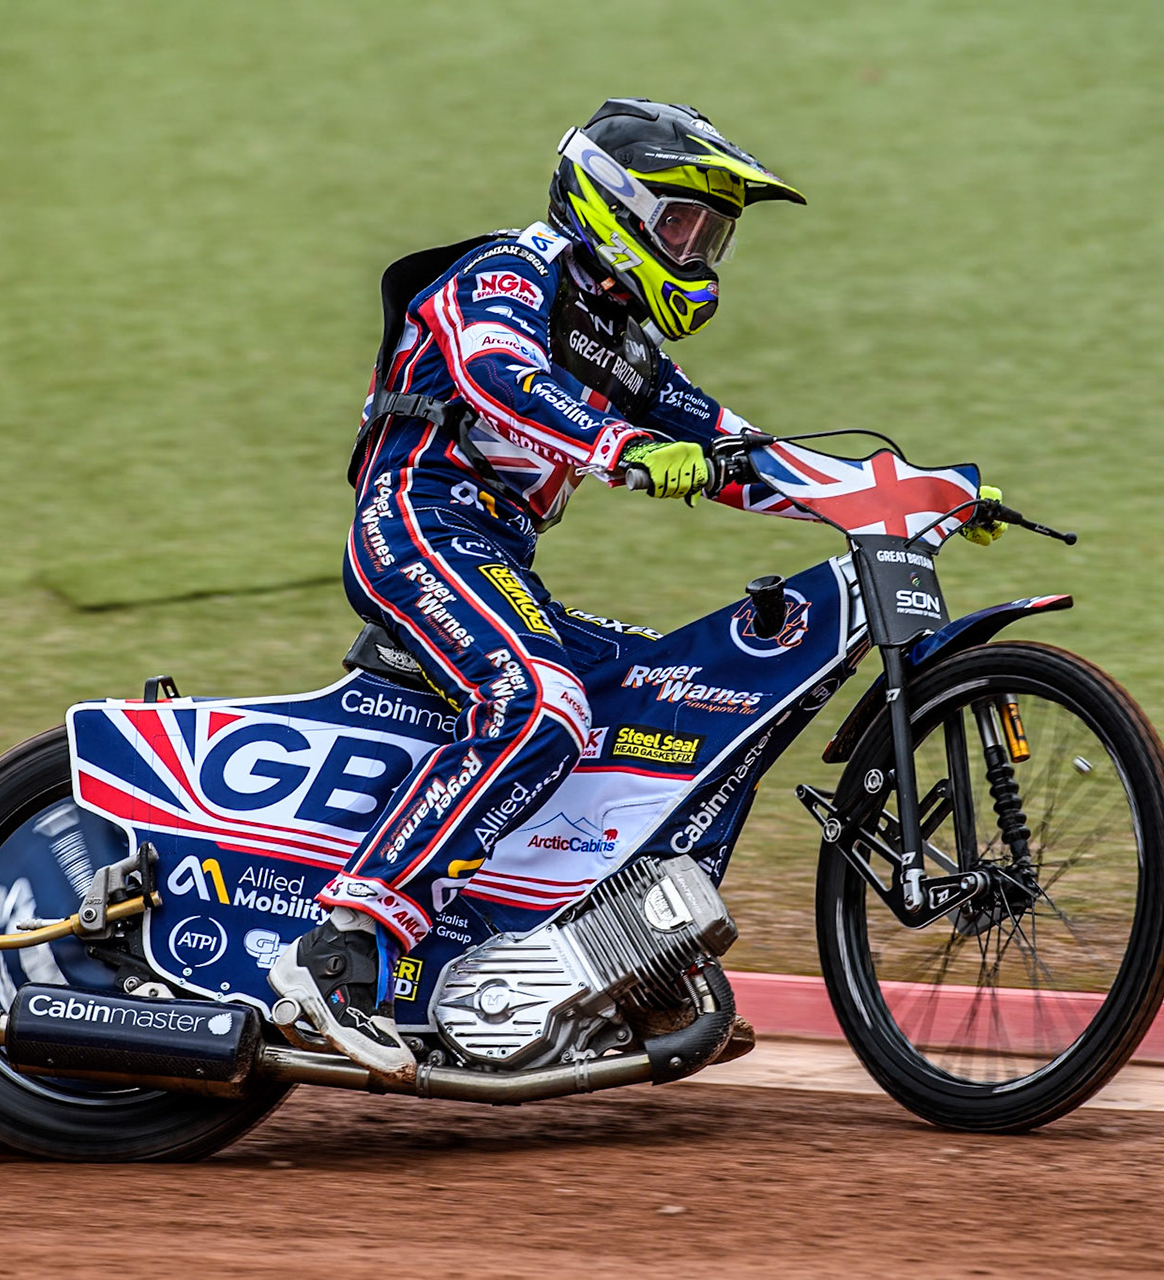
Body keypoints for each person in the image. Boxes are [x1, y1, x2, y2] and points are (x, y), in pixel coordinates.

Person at [271, 99, 996, 1080]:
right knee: (543, 705)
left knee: (674, 698)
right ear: (613, 208)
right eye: (682, 224)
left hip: (495, 551)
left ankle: (608, 956)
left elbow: (733, 448)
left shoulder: (622, 342)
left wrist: (906, 494)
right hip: (415, 521)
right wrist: (622, 447)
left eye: (712, 235)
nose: (699, 251)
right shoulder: (507, 271)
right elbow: (498, 376)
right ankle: (342, 949)